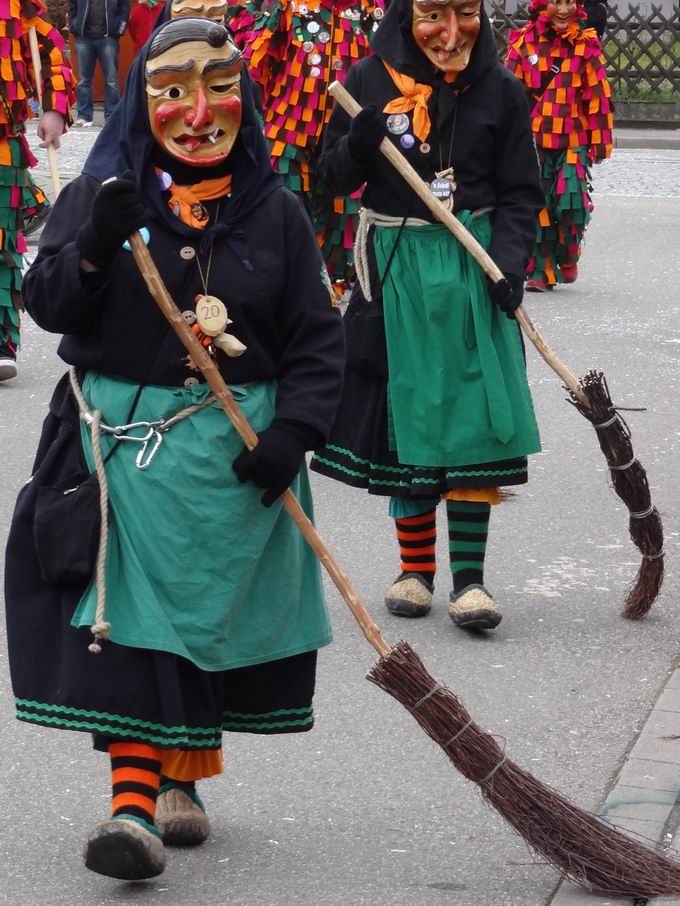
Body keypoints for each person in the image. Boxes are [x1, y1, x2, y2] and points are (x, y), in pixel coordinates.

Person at [5, 16, 343, 880]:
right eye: (172, 91)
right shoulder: (102, 190)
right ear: (141, 101)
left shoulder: (276, 214)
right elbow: (46, 304)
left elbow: (316, 342)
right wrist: (90, 244)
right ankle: (130, 811)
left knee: (200, 634)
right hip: (119, 454)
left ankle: (180, 778)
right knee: (128, 633)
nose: (197, 111)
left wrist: (291, 436)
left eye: (217, 86)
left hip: (231, 462)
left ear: (246, 97)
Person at [310, 0, 544, 630]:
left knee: (472, 418)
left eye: (465, 13)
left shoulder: (502, 90)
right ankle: (416, 571)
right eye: (432, 16)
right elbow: (327, 178)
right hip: (396, 271)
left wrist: (511, 262)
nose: (449, 34)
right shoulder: (365, 82)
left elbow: (523, 192)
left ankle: (471, 582)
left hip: (473, 268)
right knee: (406, 414)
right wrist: (357, 149)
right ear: (403, 18)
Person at [227, 0, 387, 292]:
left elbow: (381, 67)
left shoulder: (368, 10)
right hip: (288, 134)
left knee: (342, 221)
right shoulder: (289, 7)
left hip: (343, 139)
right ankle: (282, 289)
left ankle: (326, 294)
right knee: (285, 212)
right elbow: (256, 60)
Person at [505, 0, 613, 291]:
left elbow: (597, 96)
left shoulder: (585, 44)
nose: (563, 10)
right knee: (537, 203)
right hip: (534, 139)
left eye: (569, 2)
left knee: (571, 203)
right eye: (556, 2)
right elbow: (506, 93)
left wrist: (601, 141)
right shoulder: (524, 42)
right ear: (542, 6)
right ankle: (542, 271)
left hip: (574, 137)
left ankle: (568, 252)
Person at [0, 0, 74, 382]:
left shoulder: (15, 9)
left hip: (1, 147)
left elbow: (53, 54)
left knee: (1, 247)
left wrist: (54, 109)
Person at [68, 0, 130, 125]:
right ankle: (84, 116)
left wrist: (119, 30)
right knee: (84, 80)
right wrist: (73, 25)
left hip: (109, 38)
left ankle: (112, 117)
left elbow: (125, 7)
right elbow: (72, 6)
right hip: (83, 38)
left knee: (111, 80)